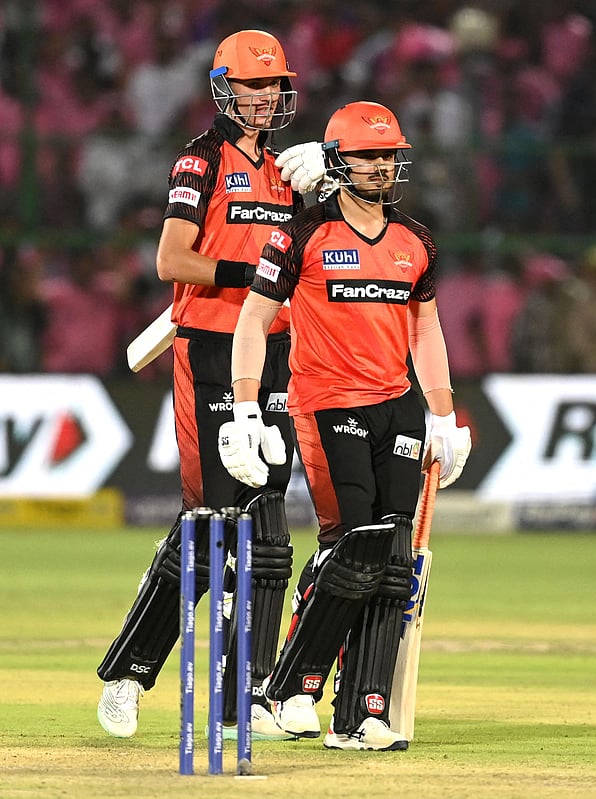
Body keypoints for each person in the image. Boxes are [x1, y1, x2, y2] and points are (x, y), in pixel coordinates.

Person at [219, 100, 471, 751]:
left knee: (393, 558)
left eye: (389, 155)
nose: (382, 165)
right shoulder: (300, 235)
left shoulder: (417, 240)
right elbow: (252, 320)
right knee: (352, 544)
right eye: (367, 155)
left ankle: (362, 709)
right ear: (337, 162)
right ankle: (292, 686)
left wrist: (442, 410)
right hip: (328, 404)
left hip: (397, 405)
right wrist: (246, 406)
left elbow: (426, 329)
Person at [96, 29, 304, 741]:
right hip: (210, 348)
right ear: (224, 87)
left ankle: (249, 691)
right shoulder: (201, 160)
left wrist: (323, 188)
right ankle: (130, 671)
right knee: (212, 525)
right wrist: (254, 278)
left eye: (274, 84)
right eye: (253, 84)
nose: (266, 96)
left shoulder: (282, 174)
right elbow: (172, 259)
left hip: (273, 354)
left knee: (269, 527)